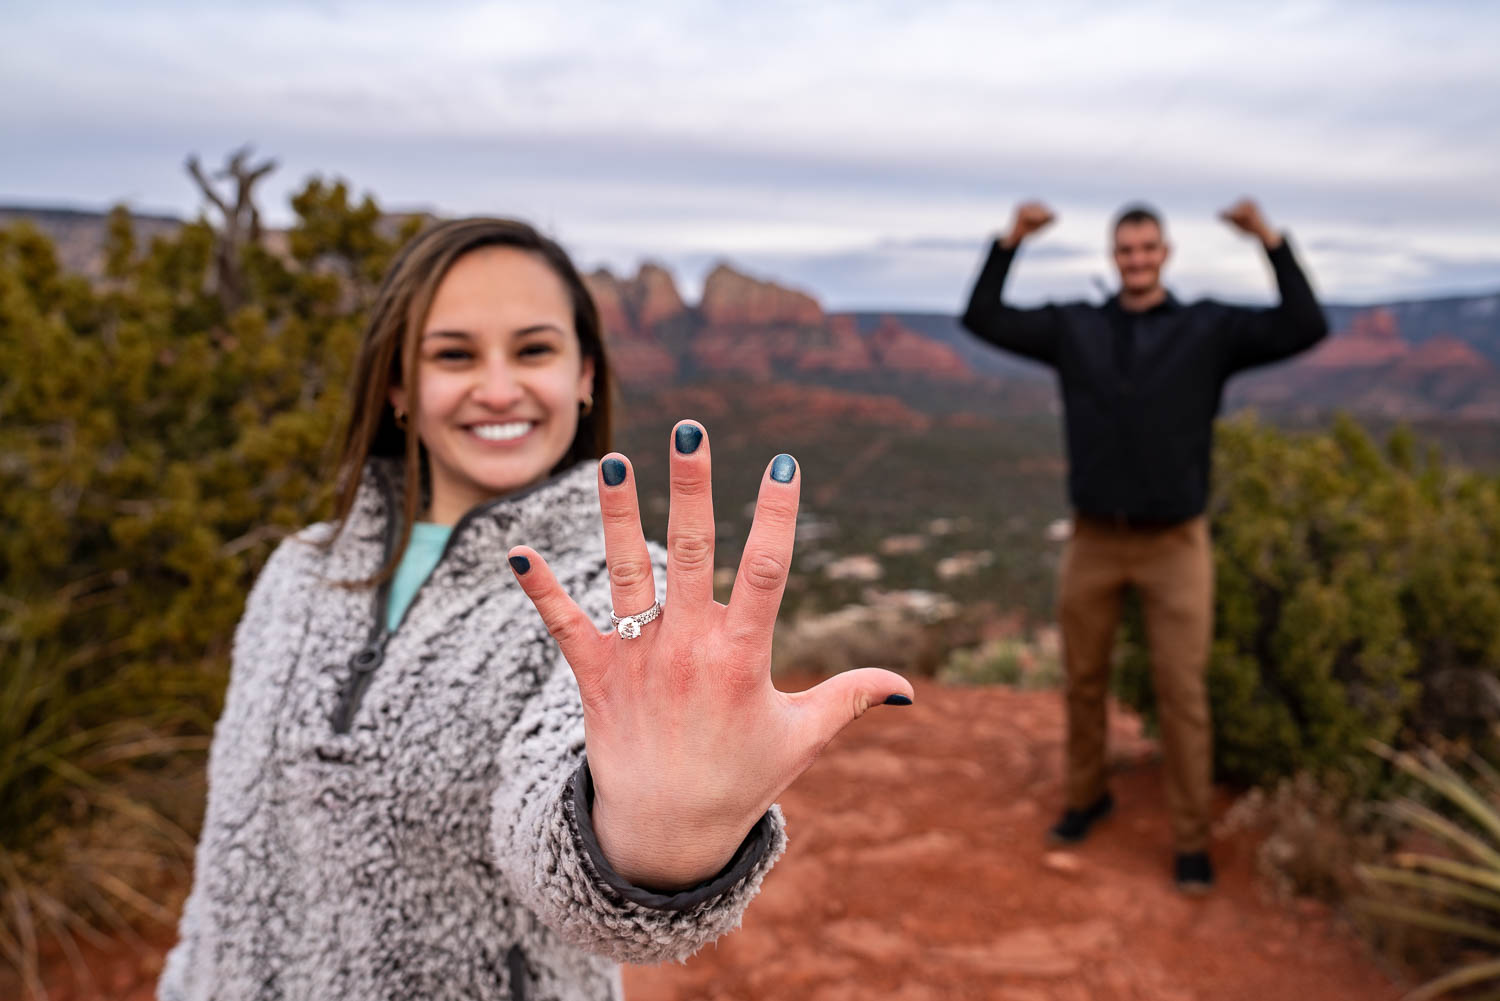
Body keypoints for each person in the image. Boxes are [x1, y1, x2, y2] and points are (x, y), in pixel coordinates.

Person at [158, 217, 914, 1001]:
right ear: (396, 387)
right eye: (453, 354)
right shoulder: (298, 571)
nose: (496, 387)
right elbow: (230, 859)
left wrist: (653, 842)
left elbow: (558, 845)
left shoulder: (623, 605)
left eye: (533, 350)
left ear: (586, 375)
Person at [960, 199, 1327, 893]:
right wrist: (1010, 241)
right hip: (1095, 539)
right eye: (1126, 250)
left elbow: (1306, 325)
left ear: (1165, 253)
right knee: (1083, 679)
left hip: (1175, 544)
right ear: (1113, 256)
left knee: (1182, 692)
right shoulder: (1076, 327)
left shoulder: (1207, 327)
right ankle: (1085, 795)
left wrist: (1269, 241)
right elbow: (982, 319)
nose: (1137, 260)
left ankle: (1191, 840)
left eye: (1147, 248)